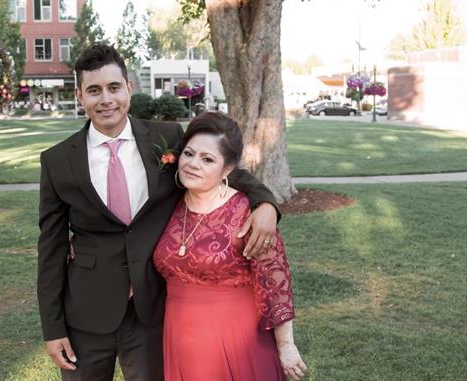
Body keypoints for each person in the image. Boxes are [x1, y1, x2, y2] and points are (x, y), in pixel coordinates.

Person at [37, 42, 281, 381]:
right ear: (80, 96)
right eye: (93, 90)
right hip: (86, 315)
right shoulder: (57, 161)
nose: (106, 99)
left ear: (129, 88)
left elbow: (222, 167)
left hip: (151, 310)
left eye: (113, 87)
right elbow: (51, 248)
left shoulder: (166, 137)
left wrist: (265, 203)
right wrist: (52, 328)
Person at [153, 112, 307, 381]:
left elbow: (274, 282)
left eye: (207, 159)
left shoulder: (249, 213)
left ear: (227, 170)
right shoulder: (169, 203)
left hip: (236, 337)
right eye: (189, 154)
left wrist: (286, 345)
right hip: (179, 336)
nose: (193, 164)